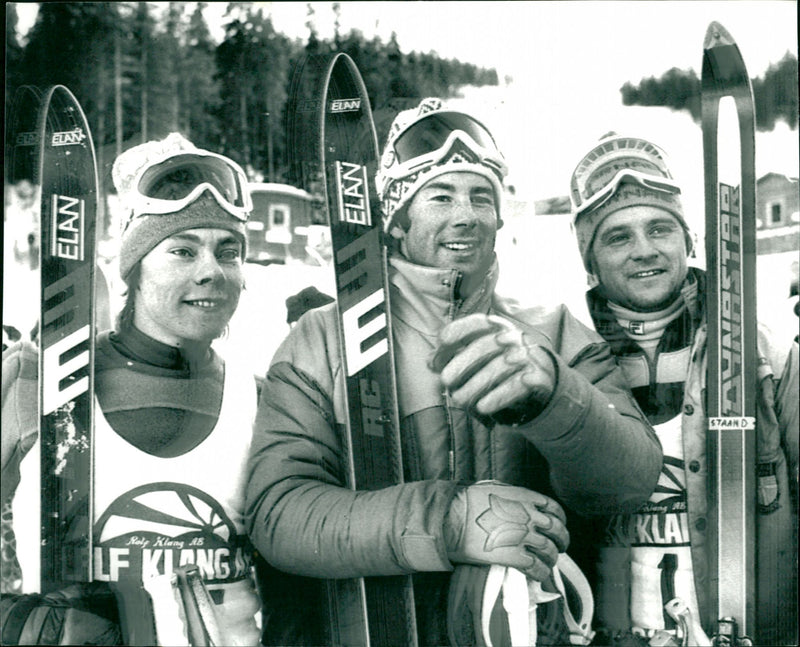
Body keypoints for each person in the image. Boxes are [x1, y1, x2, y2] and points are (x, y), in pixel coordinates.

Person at [245, 98, 663, 646]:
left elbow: (627, 484)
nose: (465, 215)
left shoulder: (556, 335)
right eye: (441, 196)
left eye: (481, 197)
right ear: (397, 220)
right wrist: (447, 522)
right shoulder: (320, 340)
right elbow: (279, 514)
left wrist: (553, 397)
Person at [1, 133, 262, 645]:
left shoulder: (261, 398)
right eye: (183, 251)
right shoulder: (38, 382)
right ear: (135, 267)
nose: (212, 272)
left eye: (228, 253)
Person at [568, 133, 799, 646]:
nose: (644, 250)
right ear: (589, 260)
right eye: (617, 237)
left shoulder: (765, 353)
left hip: (749, 627)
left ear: (689, 241)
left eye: (659, 228)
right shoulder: (569, 363)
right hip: (615, 630)